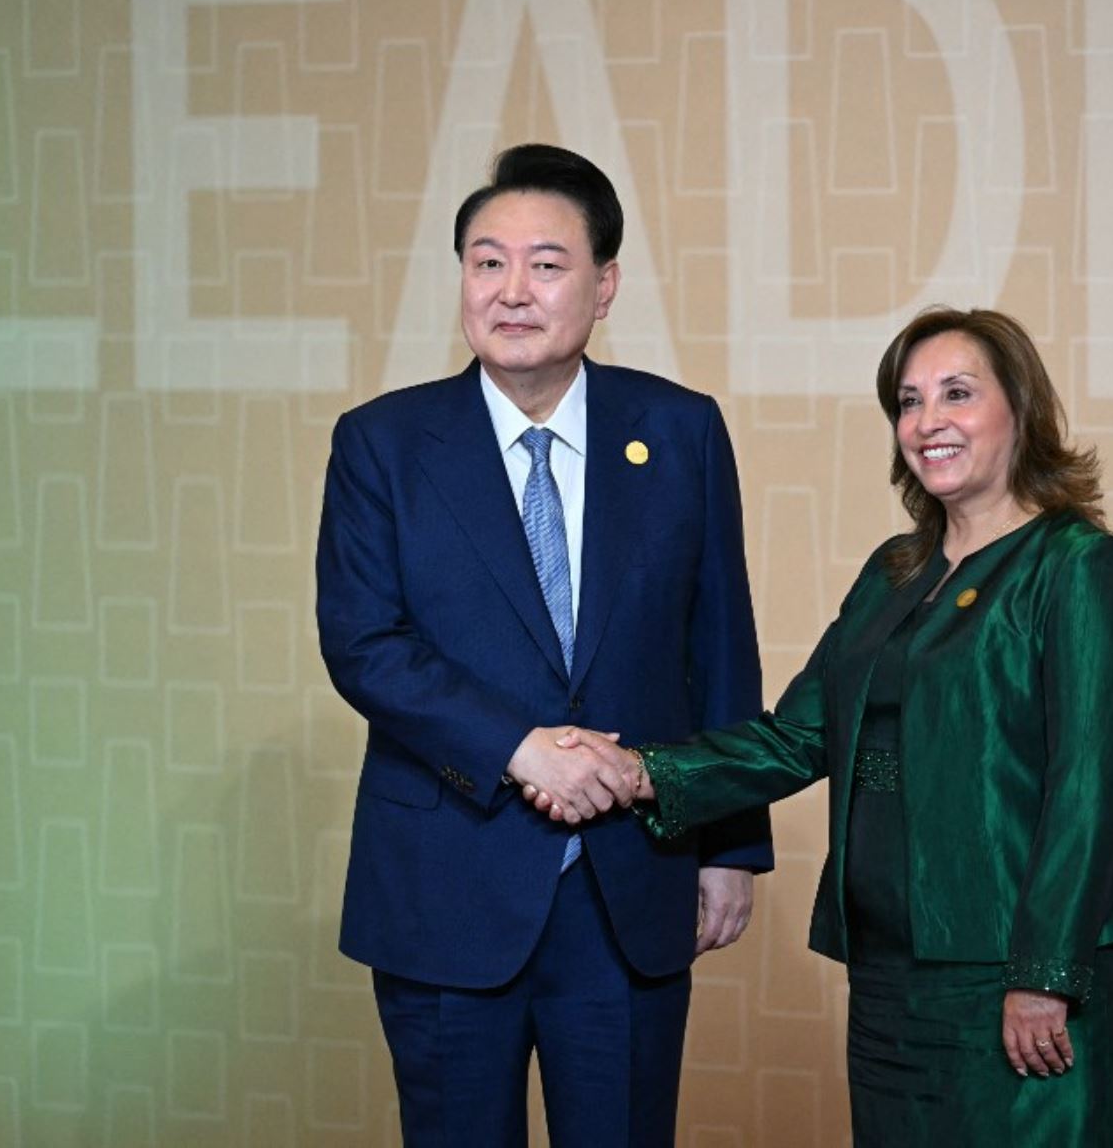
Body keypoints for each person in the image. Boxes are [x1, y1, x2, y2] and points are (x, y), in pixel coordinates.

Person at [544, 307, 1113, 1145]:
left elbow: (1091, 789)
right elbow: (797, 737)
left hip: (1014, 977)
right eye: (908, 401)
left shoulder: (1078, 568)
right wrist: (641, 768)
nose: (927, 421)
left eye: (957, 393)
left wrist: (1045, 975)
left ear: (1020, 407)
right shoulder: (893, 573)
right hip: (890, 976)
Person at [316, 143, 772, 1148]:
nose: (511, 290)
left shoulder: (679, 430)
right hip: (447, 879)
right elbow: (364, 642)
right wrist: (521, 745)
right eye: (487, 262)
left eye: (546, 263)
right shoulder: (383, 443)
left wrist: (729, 841)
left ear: (603, 285)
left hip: (629, 880)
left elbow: (719, 642)